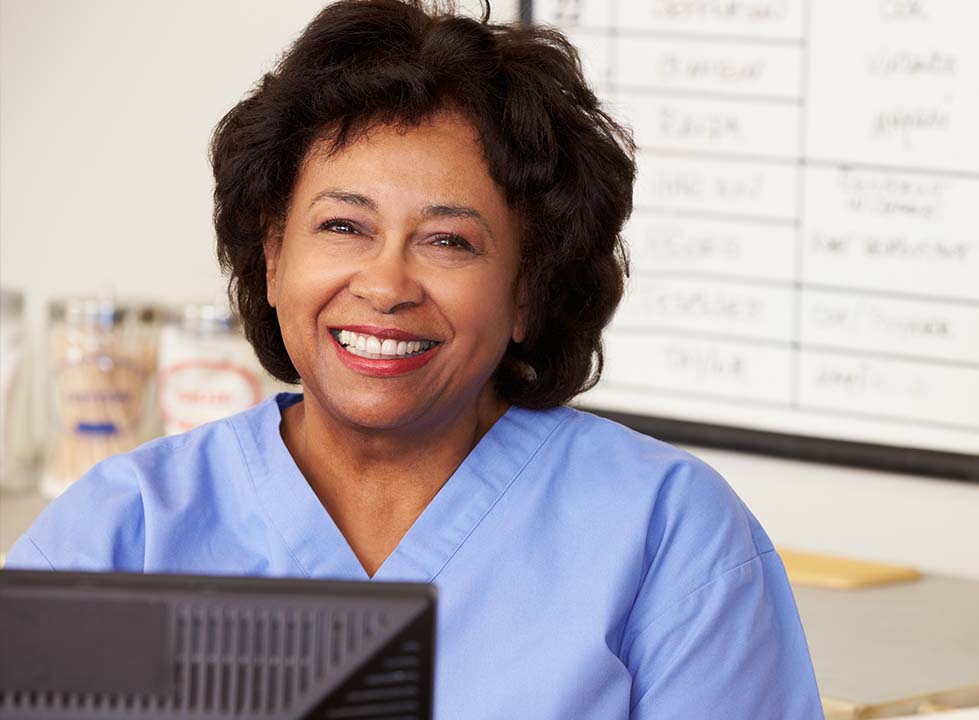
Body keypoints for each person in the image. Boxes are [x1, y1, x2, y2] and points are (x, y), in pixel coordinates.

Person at [6, 1, 823, 716]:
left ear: (528, 292)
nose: (387, 285)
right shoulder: (121, 532)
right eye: (343, 227)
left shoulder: (670, 537)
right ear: (272, 256)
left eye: (447, 240)